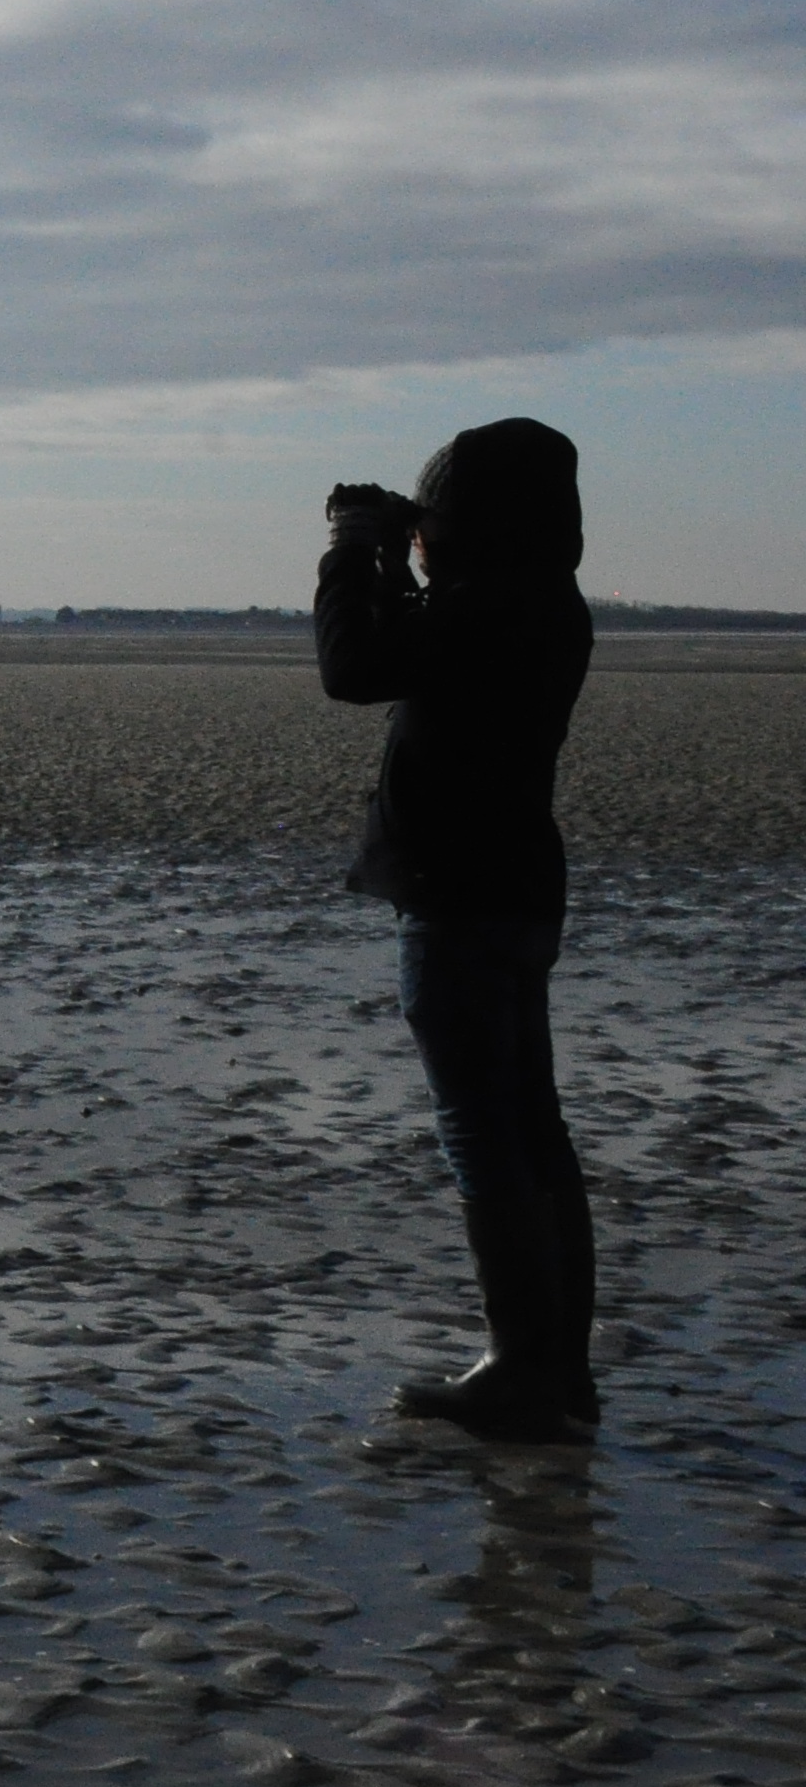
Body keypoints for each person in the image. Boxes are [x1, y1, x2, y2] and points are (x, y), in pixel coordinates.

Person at [315, 417, 597, 1441]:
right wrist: (395, 554)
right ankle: (559, 1368)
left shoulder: (487, 611)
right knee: (533, 1131)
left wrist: (354, 548)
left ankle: (521, 1372)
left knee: (485, 1135)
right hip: (515, 890)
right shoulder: (541, 604)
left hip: (459, 897)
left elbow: (352, 665)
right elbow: (404, 648)